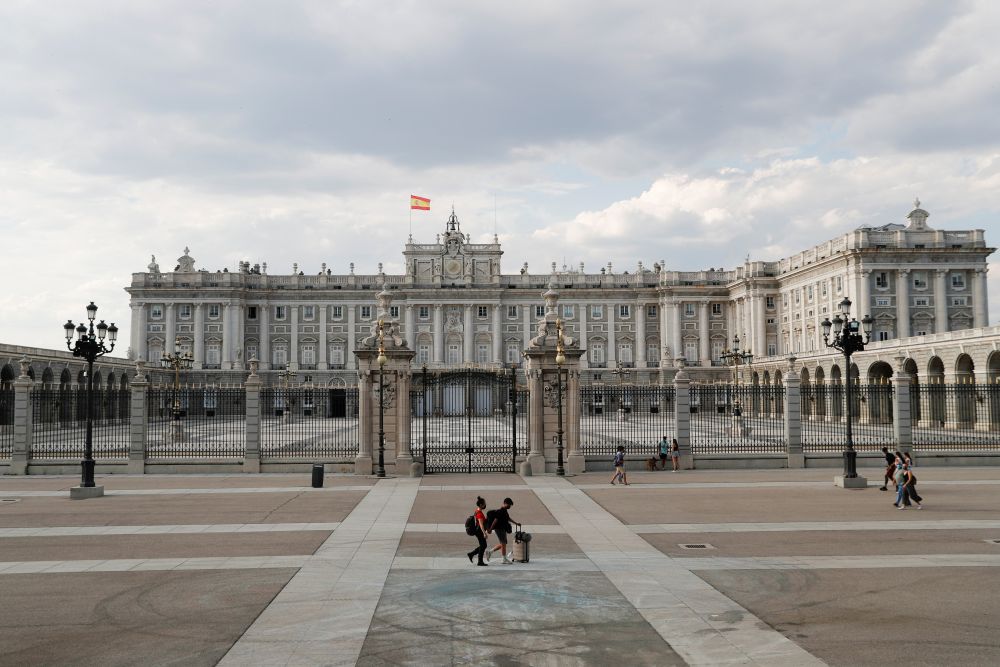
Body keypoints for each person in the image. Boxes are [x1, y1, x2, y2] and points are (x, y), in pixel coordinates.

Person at [485, 497, 518, 564]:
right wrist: (490, 529)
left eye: (510, 505)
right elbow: (495, 520)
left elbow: (508, 518)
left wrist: (516, 523)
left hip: (503, 529)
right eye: (509, 505)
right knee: (503, 543)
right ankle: (504, 559)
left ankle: (489, 552)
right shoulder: (500, 511)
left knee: (503, 544)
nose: (510, 506)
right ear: (505, 503)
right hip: (499, 529)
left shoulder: (505, 511)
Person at [466, 496, 489, 566]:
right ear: (481, 505)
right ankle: (479, 561)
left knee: (483, 545)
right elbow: (481, 524)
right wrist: (484, 533)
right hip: (479, 532)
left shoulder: (477, 511)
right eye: (484, 504)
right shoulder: (479, 513)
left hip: (478, 531)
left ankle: (472, 554)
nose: (485, 505)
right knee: (483, 545)